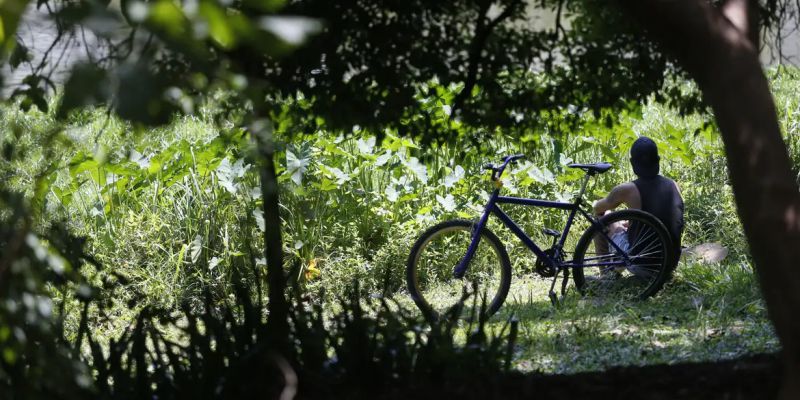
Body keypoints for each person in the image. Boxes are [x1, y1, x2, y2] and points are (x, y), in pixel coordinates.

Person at [592, 136, 685, 277]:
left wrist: (599, 205)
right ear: (658, 161)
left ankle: (606, 275)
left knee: (602, 218)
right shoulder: (673, 185)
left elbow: (598, 208)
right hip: (669, 264)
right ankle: (611, 271)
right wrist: (630, 223)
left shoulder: (628, 189)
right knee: (622, 222)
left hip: (642, 265)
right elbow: (662, 217)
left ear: (632, 163)